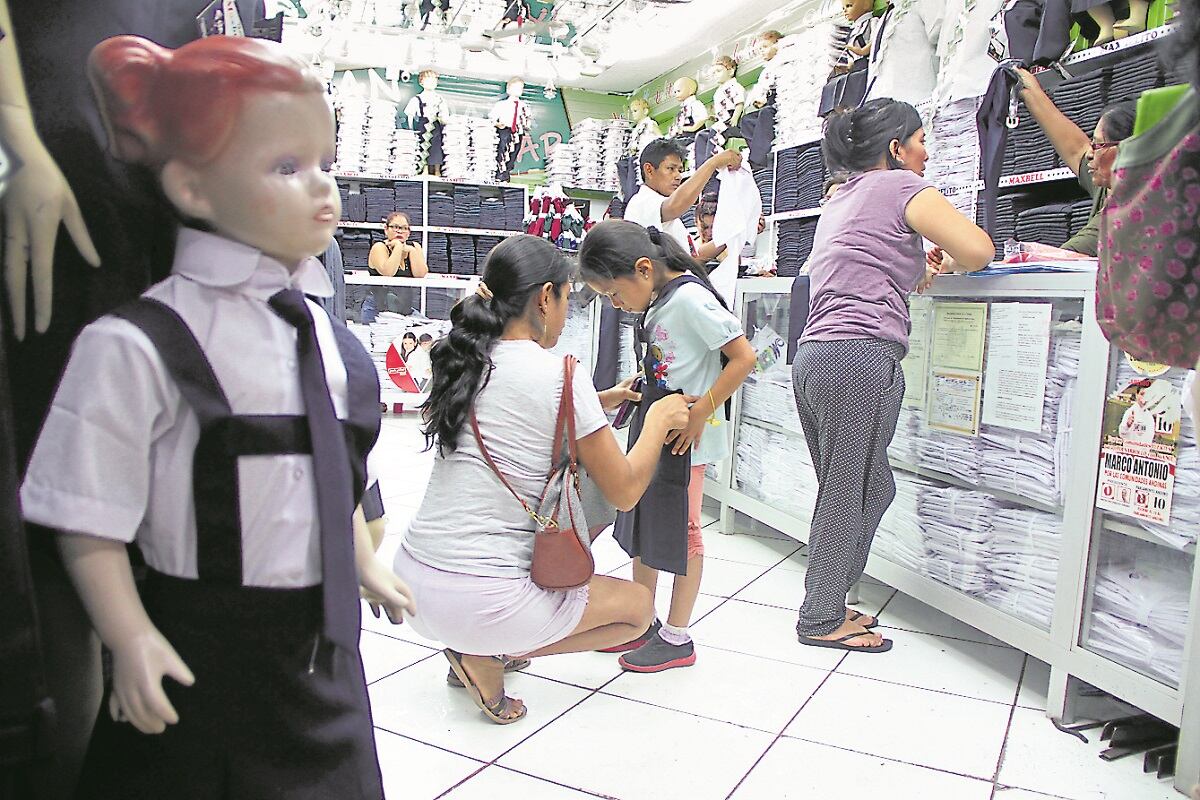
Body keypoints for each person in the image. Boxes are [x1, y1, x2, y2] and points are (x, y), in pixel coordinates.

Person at [19, 35, 414, 797]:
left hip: (327, 666)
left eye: (326, 165)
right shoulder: (137, 346)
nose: (324, 191)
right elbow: (87, 519)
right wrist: (128, 635)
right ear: (194, 188)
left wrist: (361, 563)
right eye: (286, 168)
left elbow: (325, 471)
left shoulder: (332, 344)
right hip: (198, 670)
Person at [392, 234, 692, 723]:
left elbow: (512, 410)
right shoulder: (559, 376)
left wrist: (599, 401)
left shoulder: (459, 361)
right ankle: (483, 655)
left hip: (414, 579)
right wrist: (658, 421)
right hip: (479, 598)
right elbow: (623, 489)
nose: (567, 310)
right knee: (637, 612)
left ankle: (480, 648)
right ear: (544, 298)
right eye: (568, 297)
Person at [793, 98, 994, 653]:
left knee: (867, 487)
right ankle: (819, 615)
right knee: (850, 491)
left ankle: (828, 599)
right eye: (922, 140)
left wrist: (915, 271)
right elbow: (978, 249)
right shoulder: (900, 186)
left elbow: (864, 262)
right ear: (896, 149)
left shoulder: (843, 197)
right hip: (859, 356)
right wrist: (950, 262)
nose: (927, 153)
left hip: (817, 354)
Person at [578, 220, 757, 672]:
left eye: (615, 295)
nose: (617, 305)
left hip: (683, 436)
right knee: (642, 524)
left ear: (642, 269)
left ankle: (677, 636)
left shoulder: (690, 299)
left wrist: (700, 414)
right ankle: (643, 621)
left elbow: (743, 358)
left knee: (684, 531)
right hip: (656, 423)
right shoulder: (660, 299)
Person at [1015, 68, 1137, 257]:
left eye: (1097, 145)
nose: (1090, 153)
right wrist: (1027, 89)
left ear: (1128, 150)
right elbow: (1075, 148)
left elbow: (1063, 261)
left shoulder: (1125, 215)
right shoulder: (1109, 184)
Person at [623, 138, 742, 260]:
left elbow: (695, 256)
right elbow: (676, 205)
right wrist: (713, 163)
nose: (678, 176)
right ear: (649, 170)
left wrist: (734, 231)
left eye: (680, 170)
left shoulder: (668, 216)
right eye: (671, 169)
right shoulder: (641, 203)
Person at [368, 211, 427, 278]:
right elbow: (388, 273)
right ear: (386, 230)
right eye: (395, 227)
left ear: (409, 232)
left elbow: (420, 275)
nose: (400, 231)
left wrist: (412, 251)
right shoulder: (379, 247)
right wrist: (398, 246)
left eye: (404, 228)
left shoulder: (415, 246)